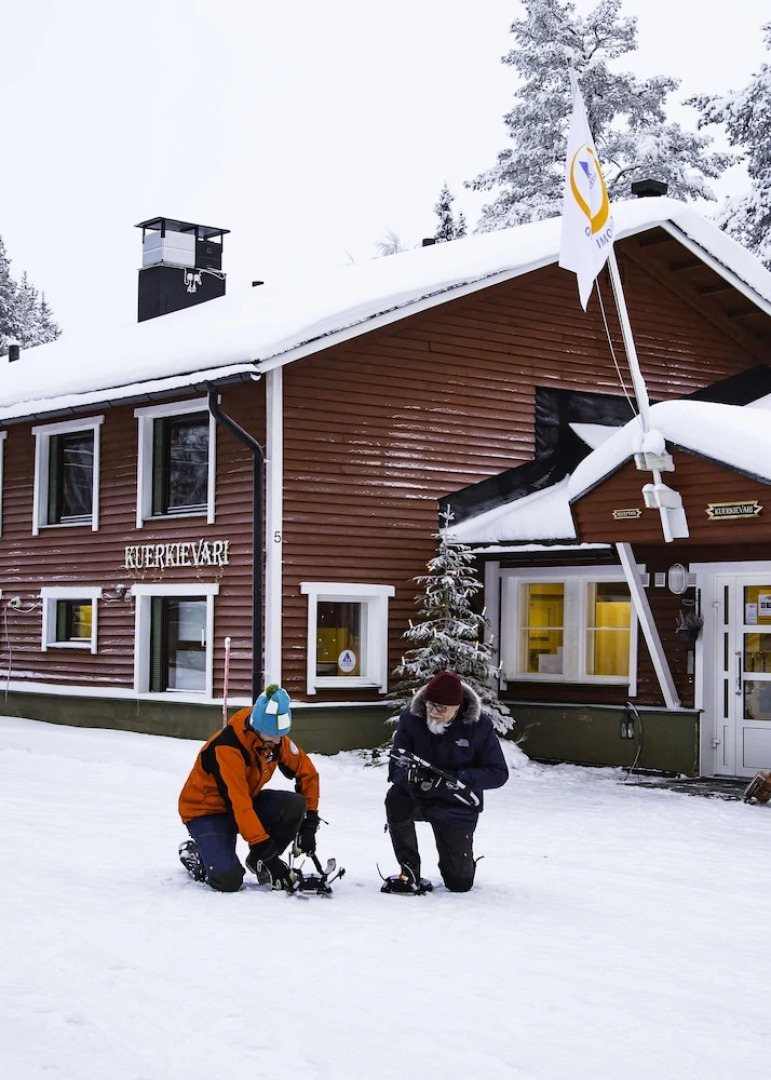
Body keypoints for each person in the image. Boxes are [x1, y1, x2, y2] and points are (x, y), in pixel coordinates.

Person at [178, 684, 320, 892]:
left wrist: (310, 823)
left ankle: (258, 862)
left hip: (244, 802)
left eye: (281, 734)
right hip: (206, 812)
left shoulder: (274, 738)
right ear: (256, 727)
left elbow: (308, 773)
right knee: (228, 880)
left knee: (294, 805)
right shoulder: (228, 747)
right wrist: (268, 854)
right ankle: (198, 855)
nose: (277, 741)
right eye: (272, 735)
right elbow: (238, 802)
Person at [383, 670, 509, 894]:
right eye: (431, 705)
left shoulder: (478, 726)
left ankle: (462, 862)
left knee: (459, 884)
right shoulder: (411, 719)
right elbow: (396, 764)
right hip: (419, 795)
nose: (434, 712)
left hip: (457, 803)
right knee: (396, 798)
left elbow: (498, 773)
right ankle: (409, 871)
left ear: (457, 707)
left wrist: (456, 778)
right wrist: (414, 779)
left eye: (441, 708)